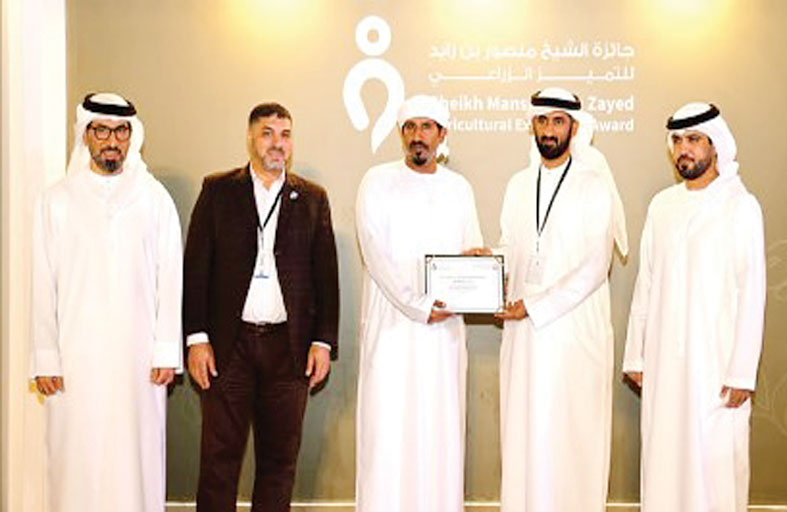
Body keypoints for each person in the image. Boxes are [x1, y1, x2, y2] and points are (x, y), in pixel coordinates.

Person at [30, 92, 183, 512]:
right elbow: (43, 283)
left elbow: (170, 278)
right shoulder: (56, 200)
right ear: (86, 134)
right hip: (74, 361)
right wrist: (46, 358)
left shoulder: (155, 200)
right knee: (75, 459)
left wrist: (166, 351)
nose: (112, 141)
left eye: (121, 131)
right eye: (102, 131)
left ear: (132, 137)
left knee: (135, 460)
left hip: (139, 363)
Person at [183, 102, 339, 512]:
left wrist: (323, 342)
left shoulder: (312, 198)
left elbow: (326, 277)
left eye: (285, 134)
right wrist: (197, 339)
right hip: (228, 347)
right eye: (267, 133)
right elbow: (196, 269)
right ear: (250, 138)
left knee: (279, 462)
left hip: (289, 349)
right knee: (218, 460)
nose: (277, 143)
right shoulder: (218, 190)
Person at [622, 103, 766, 512]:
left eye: (694, 140)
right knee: (664, 462)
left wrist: (742, 372)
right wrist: (636, 355)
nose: (683, 149)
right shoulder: (662, 206)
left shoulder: (741, 206)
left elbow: (752, 292)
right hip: (664, 364)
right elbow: (646, 282)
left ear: (715, 145)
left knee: (713, 470)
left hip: (717, 366)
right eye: (677, 140)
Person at [495, 87, 627, 512]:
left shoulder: (594, 186)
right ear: (532, 125)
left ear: (573, 127)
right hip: (523, 338)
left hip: (573, 335)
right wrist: (488, 264)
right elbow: (511, 246)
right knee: (525, 431)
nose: (549, 130)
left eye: (557, 121)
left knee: (570, 435)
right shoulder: (518, 185)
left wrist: (534, 306)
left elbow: (595, 266)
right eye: (542, 121)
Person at [355, 94, 483, 512]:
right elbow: (374, 253)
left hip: (443, 335)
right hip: (391, 330)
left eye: (426, 127)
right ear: (401, 134)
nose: (417, 136)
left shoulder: (459, 188)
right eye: (410, 127)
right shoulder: (376, 181)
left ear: (442, 134)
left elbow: (472, 250)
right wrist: (417, 304)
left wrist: (478, 271)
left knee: (438, 432)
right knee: (387, 433)